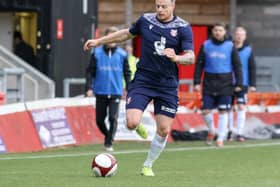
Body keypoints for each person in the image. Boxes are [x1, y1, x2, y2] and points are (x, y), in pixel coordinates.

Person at [84, 0, 195, 176]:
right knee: (131, 122)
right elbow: (125, 34)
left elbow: (190, 57)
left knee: (164, 129)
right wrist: (99, 41)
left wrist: (177, 58)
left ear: (173, 5)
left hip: (167, 84)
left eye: (164, 6)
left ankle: (148, 165)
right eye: (157, 5)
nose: (159, 9)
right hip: (143, 80)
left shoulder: (183, 27)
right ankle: (137, 126)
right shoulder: (146, 20)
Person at [193, 22, 243, 147]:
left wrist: (239, 83)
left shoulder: (230, 46)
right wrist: (197, 81)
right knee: (205, 111)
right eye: (215, 30)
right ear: (212, 32)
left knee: (223, 111)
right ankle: (212, 130)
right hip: (209, 81)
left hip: (225, 82)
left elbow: (237, 65)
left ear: (224, 32)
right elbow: (199, 64)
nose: (217, 32)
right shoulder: (206, 45)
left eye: (220, 30)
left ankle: (220, 138)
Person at [85, 26, 131, 152]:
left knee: (113, 118)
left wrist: (129, 87)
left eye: (114, 37)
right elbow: (90, 72)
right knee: (99, 120)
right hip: (100, 91)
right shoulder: (97, 53)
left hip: (116, 91)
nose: (112, 40)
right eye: (110, 37)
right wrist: (89, 87)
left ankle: (108, 143)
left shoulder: (122, 55)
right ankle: (108, 136)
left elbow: (127, 73)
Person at [227, 26, 256, 142]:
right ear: (234, 35)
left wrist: (252, 84)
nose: (239, 36)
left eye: (241, 34)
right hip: (228, 81)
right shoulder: (228, 48)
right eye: (237, 34)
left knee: (241, 106)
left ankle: (239, 132)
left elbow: (252, 68)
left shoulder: (248, 50)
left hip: (243, 83)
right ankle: (229, 131)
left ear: (245, 37)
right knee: (227, 108)